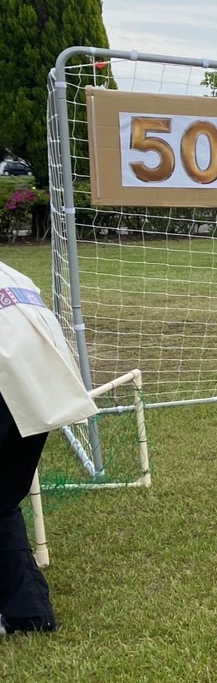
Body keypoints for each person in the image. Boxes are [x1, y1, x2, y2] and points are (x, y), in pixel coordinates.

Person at [0, 257, 98, 635]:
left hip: (13, 365)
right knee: (2, 498)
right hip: (39, 372)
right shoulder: (12, 270)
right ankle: (28, 613)